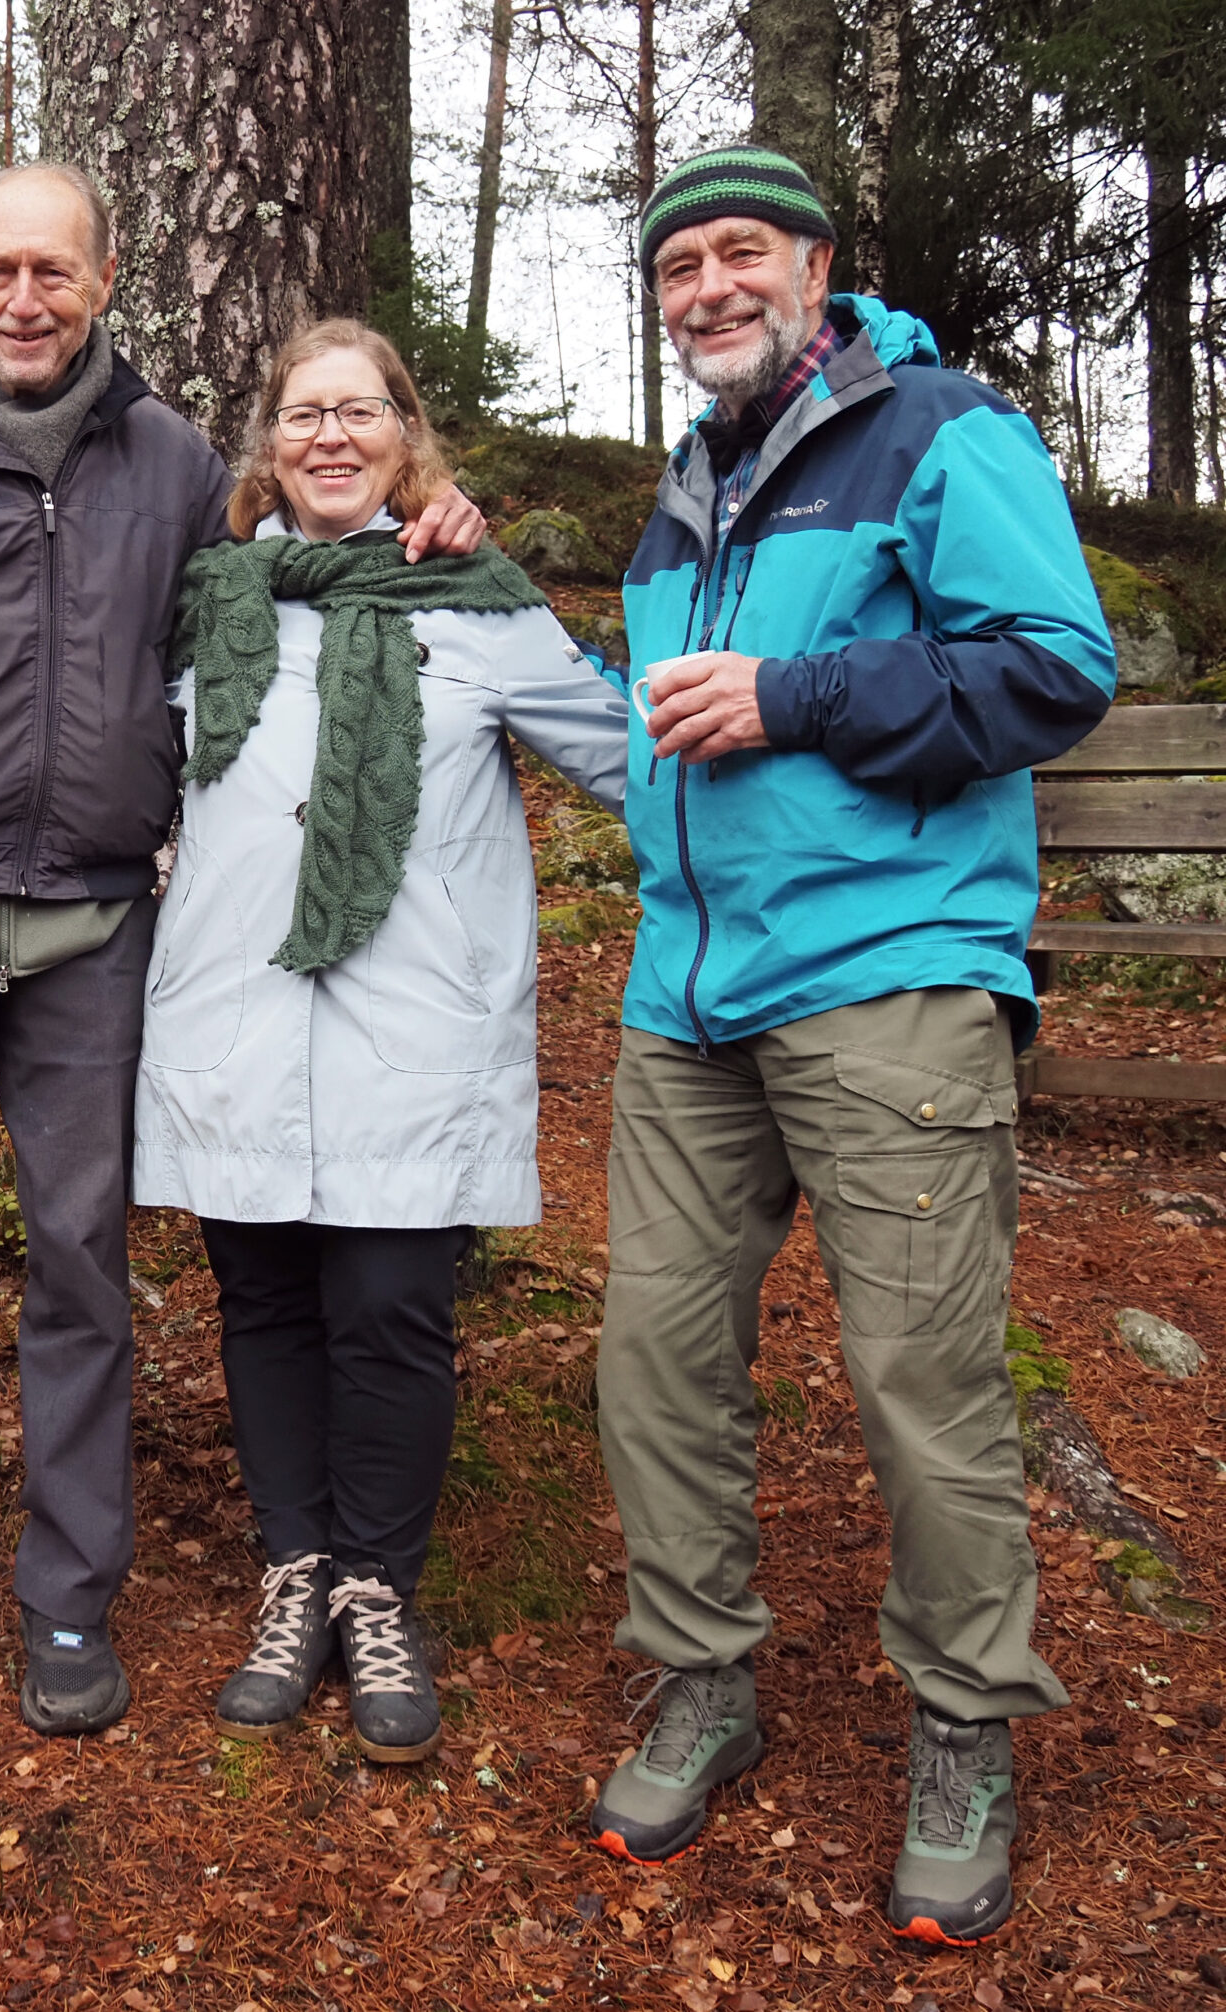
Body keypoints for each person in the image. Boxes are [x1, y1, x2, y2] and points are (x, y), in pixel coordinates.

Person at [0, 160, 489, 1737]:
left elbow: (301, 569)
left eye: (56, 273)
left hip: (98, 927)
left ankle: (70, 1601)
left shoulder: (168, 465)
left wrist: (436, 518)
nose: (26, 300)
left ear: (108, 278)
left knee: (86, 1272)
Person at [584, 148, 1115, 1946]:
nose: (710, 288)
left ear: (817, 266)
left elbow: (1053, 664)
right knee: (654, 1362)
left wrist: (795, 697)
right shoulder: (683, 494)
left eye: (744, 254)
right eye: (681, 268)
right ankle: (705, 1679)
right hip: (686, 997)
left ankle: (967, 1725)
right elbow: (646, 725)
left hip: (887, 978)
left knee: (921, 1384)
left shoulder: (941, 428)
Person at [136, 318, 628, 1761]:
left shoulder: (482, 606)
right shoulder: (209, 603)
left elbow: (626, 762)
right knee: (267, 1305)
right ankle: (295, 1573)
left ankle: (376, 1589)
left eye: (360, 412)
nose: (330, 437)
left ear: (408, 439)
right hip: (235, 1013)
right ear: (268, 443)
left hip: (415, 1028)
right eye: (303, 415)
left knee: (395, 1313)